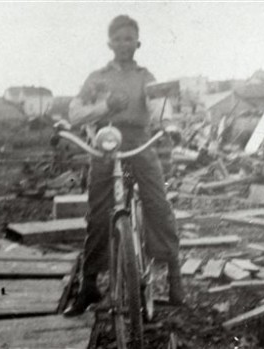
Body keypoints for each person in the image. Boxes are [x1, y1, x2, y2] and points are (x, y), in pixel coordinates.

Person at [61, 15, 184, 317]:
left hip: (139, 141)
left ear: (137, 43)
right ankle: (89, 284)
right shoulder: (97, 78)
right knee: (98, 213)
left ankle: (174, 274)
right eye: (118, 39)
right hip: (105, 142)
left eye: (129, 38)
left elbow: (158, 108)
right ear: (110, 43)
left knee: (157, 203)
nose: (124, 44)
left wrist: (168, 125)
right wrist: (105, 107)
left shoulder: (145, 76)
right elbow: (75, 113)